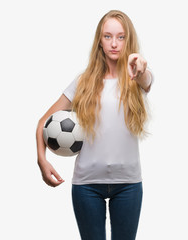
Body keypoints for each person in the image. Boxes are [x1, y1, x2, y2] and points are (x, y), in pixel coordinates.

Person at [36, 10, 153, 240]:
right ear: (99, 41)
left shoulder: (136, 77)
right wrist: (42, 160)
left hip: (128, 184)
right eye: (107, 36)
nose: (114, 44)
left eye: (121, 37)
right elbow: (43, 122)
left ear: (129, 39)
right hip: (87, 185)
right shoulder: (83, 81)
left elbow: (145, 78)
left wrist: (139, 66)